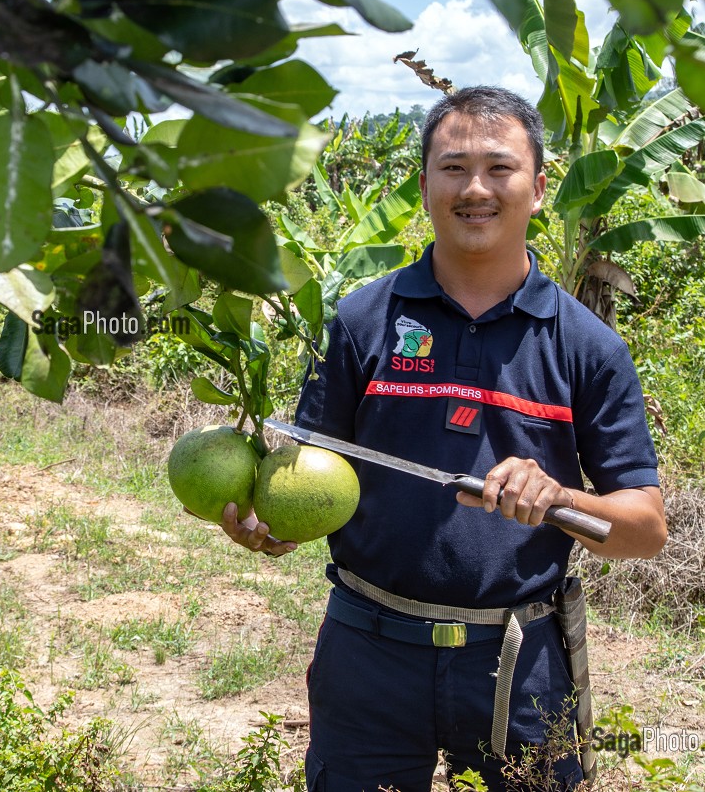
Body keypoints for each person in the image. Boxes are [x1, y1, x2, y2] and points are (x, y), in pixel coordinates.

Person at [219, 87, 668, 791]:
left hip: (520, 665)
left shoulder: (588, 346)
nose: (476, 188)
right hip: (368, 651)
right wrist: (270, 525)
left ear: (541, 188)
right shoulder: (363, 321)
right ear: (425, 184)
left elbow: (646, 528)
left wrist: (559, 496)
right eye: (454, 168)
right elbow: (308, 475)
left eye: (500, 167)